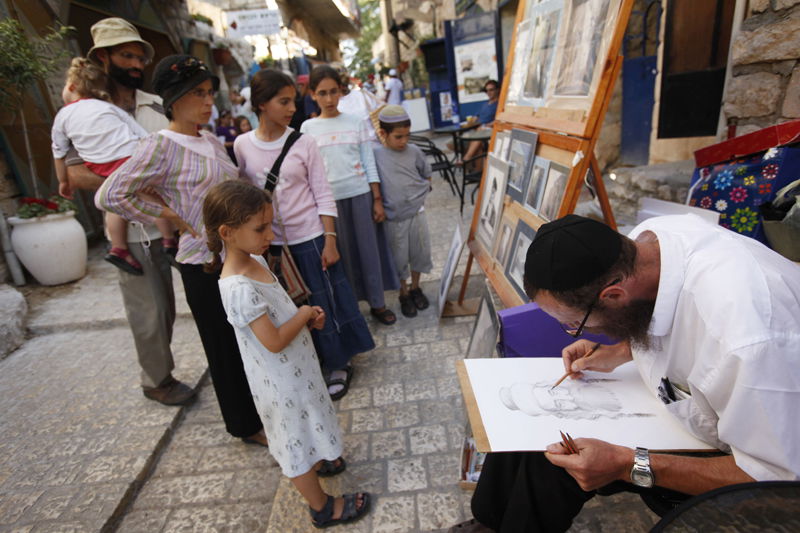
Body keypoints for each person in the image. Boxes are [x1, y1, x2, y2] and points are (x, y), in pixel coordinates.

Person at [462, 214, 800, 533]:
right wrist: (621, 351)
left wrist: (628, 464)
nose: (575, 333)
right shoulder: (647, 243)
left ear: (613, 295)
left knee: (559, 461)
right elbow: (664, 322)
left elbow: (777, 481)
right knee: (532, 433)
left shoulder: (747, 339)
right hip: (703, 407)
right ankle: (487, 524)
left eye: (573, 325)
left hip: (757, 467)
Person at [96, 54, 267, 446]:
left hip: (239, 256)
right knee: (224, 348)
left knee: (252, 337)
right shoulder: (159, 146)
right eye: (197, 94)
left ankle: (264, 407)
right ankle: (245, 424)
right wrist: (168, 214)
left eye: (209, 92)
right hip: (202, 263)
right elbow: (112, 193)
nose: (208, 101)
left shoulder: (208, 138)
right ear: (173, 99)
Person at [204, 179, 371, 528]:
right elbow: (274, 340)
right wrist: (305, 313)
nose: (269, 235)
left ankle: (321, 458)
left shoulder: (255, 260)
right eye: (260, 228)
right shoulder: (236, 286)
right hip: (279, 384)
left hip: (296, 372)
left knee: (309, 418)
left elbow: (277, 318)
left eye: (270, 225)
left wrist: (302, 320)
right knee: (292, 439)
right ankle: (322, 506)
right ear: (227, 232)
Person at [63, 17, 193, 406]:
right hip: (131, 230)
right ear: (103, 58)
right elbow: (74, 172)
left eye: (139, 57)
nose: (136, 65)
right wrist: (131, 177)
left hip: (178, 223)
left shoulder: (158, 105)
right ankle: (157, 381)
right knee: (150, 312)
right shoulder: (84, 111)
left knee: (183, 304)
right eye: (126, 55)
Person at [233, 68, 375, 401]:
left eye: (292, 101)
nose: (291, 108)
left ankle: (338, 363)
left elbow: (322, 193)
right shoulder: (242, 145)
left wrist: (329, 239)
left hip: (310, 237)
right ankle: (307, 363)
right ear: (261, 104)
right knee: (286, 308)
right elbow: (244, 193)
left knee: (324, 303)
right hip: (271, 246)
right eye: (283, 102)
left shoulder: (304, 141)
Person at [52, 57, 177, 275]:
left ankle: (119, 248)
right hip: (130, 158)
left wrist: (63, 181)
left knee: (113, 201)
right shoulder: (109, 108)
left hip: (101, 166)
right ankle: (169, 240)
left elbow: (59, 152)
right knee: (152, 197)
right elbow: (139, 133)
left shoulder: (63, 116)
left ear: (71, 87)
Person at [301, 65, 399, 325]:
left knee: (369, 252)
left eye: (334, 92)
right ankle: (351, 308)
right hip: (328, 204)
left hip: (360, 196)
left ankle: (377, 303)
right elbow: (308, 171)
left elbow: (368, 161)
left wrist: (377, 199)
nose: (329, 99)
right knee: (340, 256)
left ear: (342, 92)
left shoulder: (356, 122)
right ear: (313, 95)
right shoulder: (307, 128)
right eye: (323, 93)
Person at [372, 105, 433, 318]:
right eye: (398, 137)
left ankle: (416, 287)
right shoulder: (376, 154)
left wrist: (420, 194)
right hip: (393, 218)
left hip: (417, 212)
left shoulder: (414, 151)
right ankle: (403, 293)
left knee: (419, 252)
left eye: (407, 136)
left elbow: (427, 174)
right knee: (398, 258)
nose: (404, 141)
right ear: (383, 134)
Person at [459, 79, 500, 168]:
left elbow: (499, 120)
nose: (488, 92)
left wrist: (486, 125)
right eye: (487, 90)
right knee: (461, 140)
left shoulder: (499, 104)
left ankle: (466, 159)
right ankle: (474, 170)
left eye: (491, 90)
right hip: (478, 129)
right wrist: (468, 124)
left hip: (489, 129)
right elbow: (475, 117)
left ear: (497, 90)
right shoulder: (485, 104)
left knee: (478, 138)